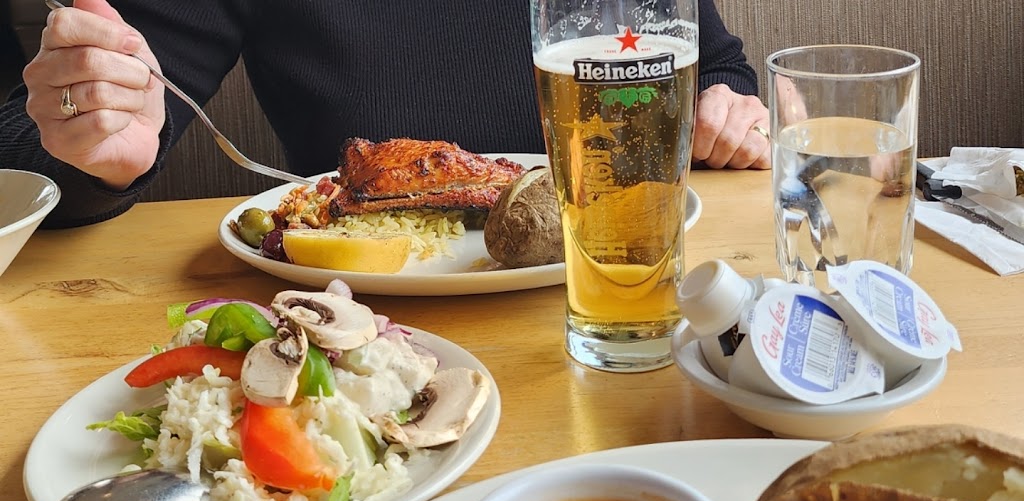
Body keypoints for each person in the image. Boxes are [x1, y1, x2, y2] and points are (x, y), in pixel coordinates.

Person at [0, 0, 770, 228]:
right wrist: (88, 142)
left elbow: (717, 66)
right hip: (373, 332)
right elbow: (25, 151)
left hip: (625, 283)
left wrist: (728, 108)